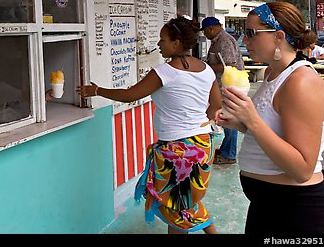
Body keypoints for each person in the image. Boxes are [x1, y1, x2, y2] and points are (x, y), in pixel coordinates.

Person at [77, 16, 222, 234]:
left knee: (176, 204)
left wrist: (97, 91)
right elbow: (216, 105)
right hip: (203, 146)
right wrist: (199, 125)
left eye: (162, 40)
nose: (158, 44)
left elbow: (130, 95)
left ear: (177, 43)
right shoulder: (207, 70)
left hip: (178, 150)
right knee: (183, 203)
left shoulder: (164, 72)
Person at [218, 2, 324, 235]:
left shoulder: (302, 81)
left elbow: (302, 169)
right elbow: (277, 132)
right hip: (266, 204)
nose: (244, 42)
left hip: (295, 210)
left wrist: (252, 120)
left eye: (250, 33)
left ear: (278, 36)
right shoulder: (271, 73)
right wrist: (241, 124)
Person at [201, 16, 245, 165]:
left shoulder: (224, 41)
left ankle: (229, 154)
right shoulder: (217, 41)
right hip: (222, 85)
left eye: (205, 32)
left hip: (230, 85)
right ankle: (226, 149)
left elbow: (230, 64)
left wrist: (206, 68)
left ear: (210, 29)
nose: (205, 36)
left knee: (229, 117)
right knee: (225, 117)